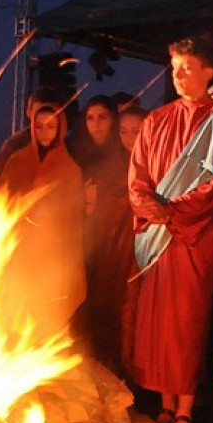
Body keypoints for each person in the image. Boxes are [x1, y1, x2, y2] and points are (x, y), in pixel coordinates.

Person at [128, 37, 213, 423]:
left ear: (209, 72)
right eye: (174, 66)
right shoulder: (156, 120)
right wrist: (147, 205)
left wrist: (171, 211)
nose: (179, 74)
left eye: (188, 67)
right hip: (157, 234)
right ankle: (166, 402)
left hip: (193, 235)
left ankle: (187, 410)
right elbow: (137, 172)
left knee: (186, 321)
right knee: (157, 321)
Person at [0, 105, 86, 344]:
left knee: (47, 311)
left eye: (51, 127)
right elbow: (2, 201)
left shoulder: (69, 169)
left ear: (60, 129)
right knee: (15, 308)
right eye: (39, 126)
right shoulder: (16, 161)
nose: (45, 132)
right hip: (20, 248)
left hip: (52, 251)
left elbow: (73, 217)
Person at [75, 96, 134, 377]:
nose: (96, 125)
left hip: (115, 242)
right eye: (90, 118)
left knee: (113, 306)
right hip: (82, 242)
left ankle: (115, 370)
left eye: (103, 118)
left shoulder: (123, 156)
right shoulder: (77, 153)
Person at [0, 86, 61, 181]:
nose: (43, 116)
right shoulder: (14, 146)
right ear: (28, 112)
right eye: (37, 111)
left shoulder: (65, 147)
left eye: (48, 111)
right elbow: (0, 184)